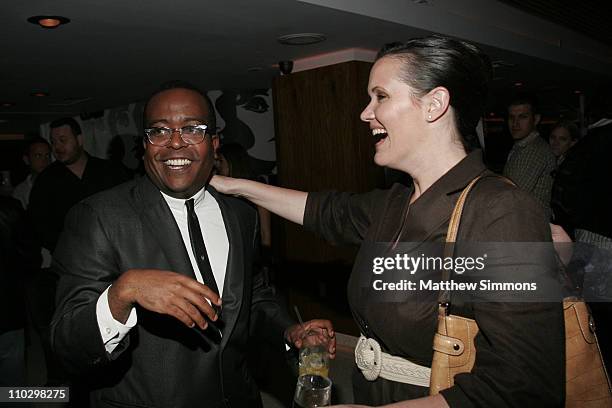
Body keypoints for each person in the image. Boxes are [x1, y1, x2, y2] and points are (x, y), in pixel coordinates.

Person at [211, 36, 564, 407]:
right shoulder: (396, 200)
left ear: (434, 105)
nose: (365, 113)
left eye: (380, 96)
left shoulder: (501, 210)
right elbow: (325, 211)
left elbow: (523, 384)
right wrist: (232, 185)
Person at [50, 82, 334, 408]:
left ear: (214, 144)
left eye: (192, 129)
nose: (174, 143)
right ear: (145, 145)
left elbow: (251, 298)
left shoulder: (241, 214)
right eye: (159, 131)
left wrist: (289, 330)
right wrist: (121, 293)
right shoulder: (98, 216)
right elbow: (66, 343)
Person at [503, 94, 556, 219]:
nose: (515, 123)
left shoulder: (534, 149)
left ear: (536, 120)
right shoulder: (522, 146)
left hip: (530, 224)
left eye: (522, 117)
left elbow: (512, 195)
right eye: (511, 117)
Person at [216, 142, 272, 248]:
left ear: (232, 162)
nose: (218, 166)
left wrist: (266, 256)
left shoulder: (255, 187)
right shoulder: (220, 190)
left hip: (251, 248)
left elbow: (265, 231)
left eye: (221, 161)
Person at [12, 137, 51, 209]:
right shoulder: (20, 191)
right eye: (38, 155)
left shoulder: (58, 184)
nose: (45, 160)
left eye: (47, 155)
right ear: (27, 160)